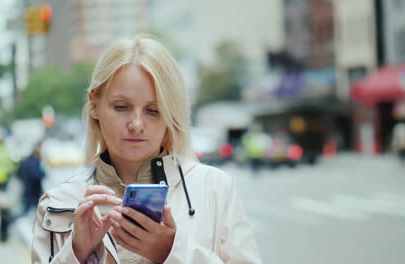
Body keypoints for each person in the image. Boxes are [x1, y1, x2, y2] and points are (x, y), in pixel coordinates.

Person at [32, 36, 261, 264]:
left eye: (153, 110)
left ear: (171, 113)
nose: (137, 124)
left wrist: (173, 252)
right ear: (94, 105)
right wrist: (76, 252)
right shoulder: (57, 204)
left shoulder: (215, 188)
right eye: (121, 107)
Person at [17, 141, 46, 217]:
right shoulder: (32, 161)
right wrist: (42, 173)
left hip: (32, 192)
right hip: (31, 193)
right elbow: (35, 175)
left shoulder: (33, 160)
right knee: (26, 213)